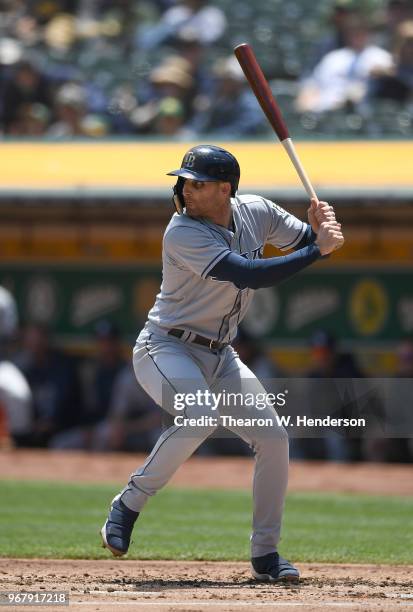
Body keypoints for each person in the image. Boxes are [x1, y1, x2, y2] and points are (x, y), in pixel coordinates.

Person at [100, 144, 344, 583]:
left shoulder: (257, 211)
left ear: (225, 189)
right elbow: (250, 273)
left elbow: (308, 244)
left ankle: (266, 554)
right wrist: (317, 251)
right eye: (185, 181)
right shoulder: (181, 231)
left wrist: (319, 230)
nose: (186, 190)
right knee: (198, 416)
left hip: (222, 355)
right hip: (166, 347)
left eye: (198, 183)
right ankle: (128, 504)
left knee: (273, 439)